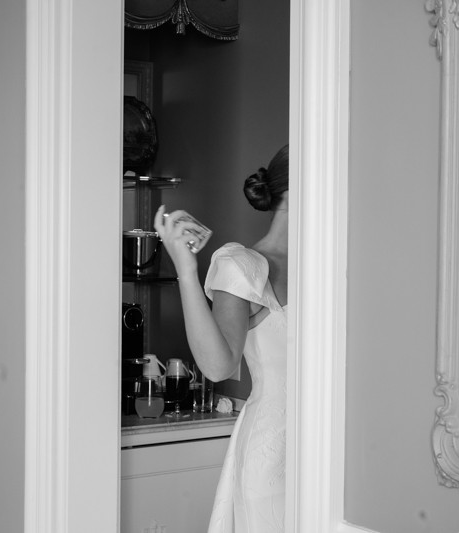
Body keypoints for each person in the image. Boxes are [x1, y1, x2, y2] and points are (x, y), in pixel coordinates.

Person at [153, 144, 289, 533]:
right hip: (273, 452)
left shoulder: (334, 262)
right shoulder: (244, 265)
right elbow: (218, 366)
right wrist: (185, 267)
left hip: (334, 446)